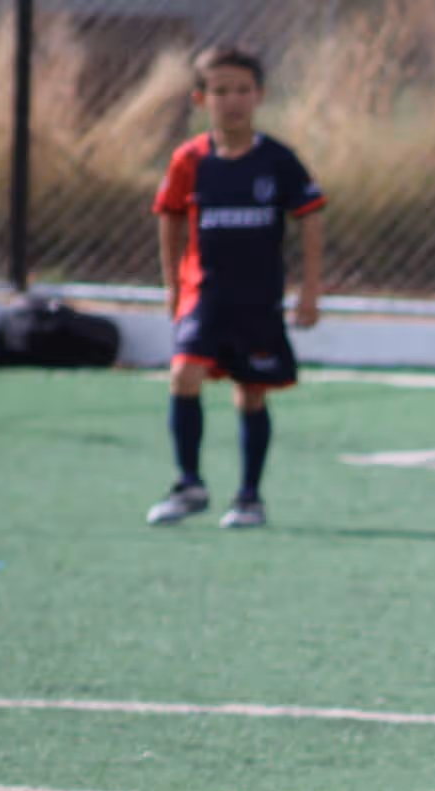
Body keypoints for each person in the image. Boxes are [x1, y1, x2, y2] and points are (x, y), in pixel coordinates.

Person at [145, 45, 325, 529]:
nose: (233, 100)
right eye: (221, 91)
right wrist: (172, 287)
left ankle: (249, 496)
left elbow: (310, 219)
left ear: (259, 95)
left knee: (251, 392)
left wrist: (309, 290)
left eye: (243, 90)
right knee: (184, 374)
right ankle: (189, 483)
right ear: (202, 99)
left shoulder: (278, 160)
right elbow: (170, 217)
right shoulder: (190, 160)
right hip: (203, 293)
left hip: (258, 298)